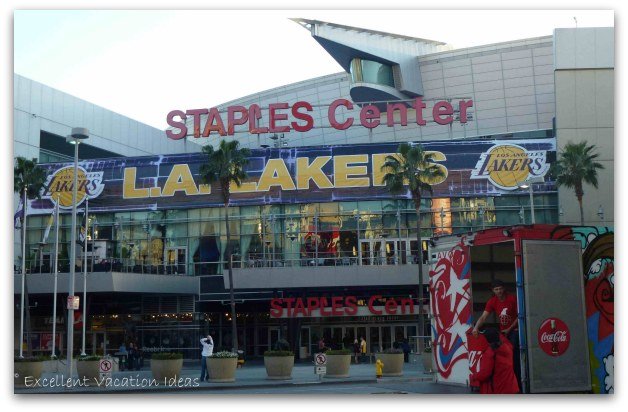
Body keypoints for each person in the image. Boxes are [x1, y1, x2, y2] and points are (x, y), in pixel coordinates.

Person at [472, 279, 521, 388]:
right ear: (493, 291)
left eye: (500, 289)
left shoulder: (512, 299)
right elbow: (484, 317)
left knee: (514, 356)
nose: (499, 291)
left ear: (504, 289)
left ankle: (518, 383)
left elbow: (520, 315)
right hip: (503, 332)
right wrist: (475, 327)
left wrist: (509, 328)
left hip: (514, 330)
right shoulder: (492, 301)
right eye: (496, 289)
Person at [470, 328, 519, 394]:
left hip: (498, 390)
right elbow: (500, 337)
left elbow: (484, 374)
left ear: (487, 341)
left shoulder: (490, 353)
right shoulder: (508, 347)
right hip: (512, 388)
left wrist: (473, 376)